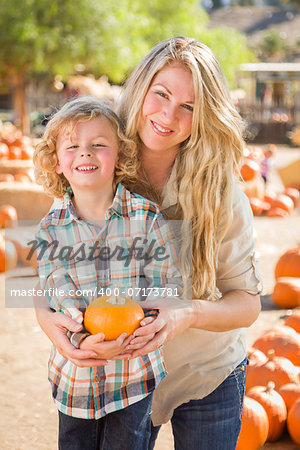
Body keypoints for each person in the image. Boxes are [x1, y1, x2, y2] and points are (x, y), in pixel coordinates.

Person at [34, 37, 262, 450]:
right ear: (141, 87)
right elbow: (55, 269)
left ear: (203, 115)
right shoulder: (94, 159)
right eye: (161, 93)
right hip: (122, 376)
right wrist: (47, 321)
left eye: (188, 106)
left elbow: (247, 303)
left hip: (205, 370)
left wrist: (186, 314)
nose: (168, 114)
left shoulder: (220, 190)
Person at [33, 96, 182, 450]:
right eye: (73, 146)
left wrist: (148, 322)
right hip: (77, 375)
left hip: (134, 372)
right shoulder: (50, 230)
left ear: (120, 157)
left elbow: (166, 282)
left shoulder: (146, 217)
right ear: (57, 162)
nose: (85, 153)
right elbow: (57, 290)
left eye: (98, 145)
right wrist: (81, 337)